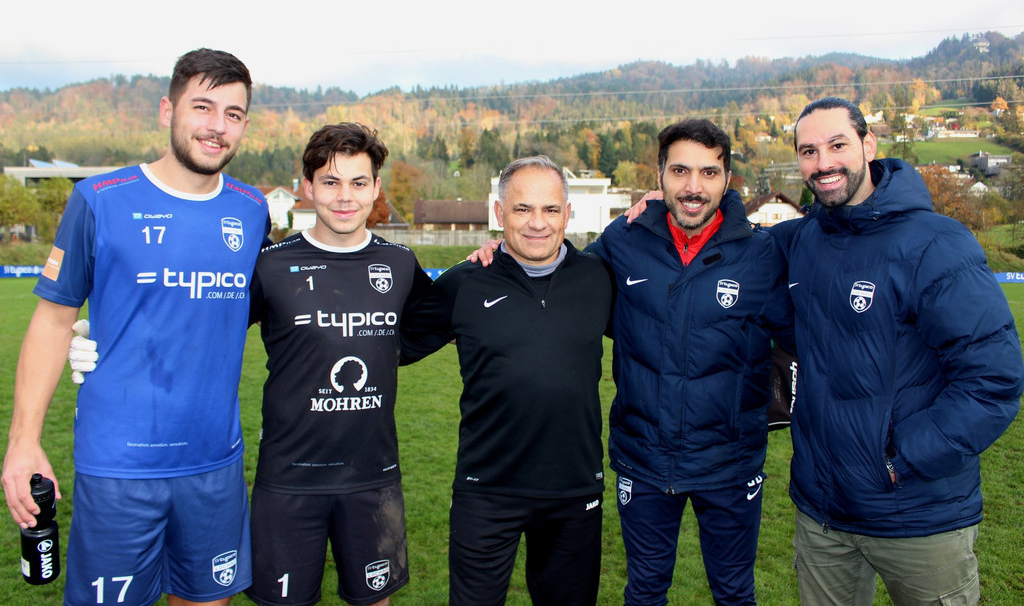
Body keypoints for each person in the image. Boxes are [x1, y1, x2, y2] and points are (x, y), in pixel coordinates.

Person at [2, 49, 268, 605]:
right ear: (167, 110)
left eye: (234, 114)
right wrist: (24, 443)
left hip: (214, 465)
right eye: (202, 107)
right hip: (119, 467)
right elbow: (53, 320)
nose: (217, 126)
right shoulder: (99, 200)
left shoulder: (250, 209)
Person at [774, 96, 1024, 605]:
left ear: (869, 145)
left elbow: (994, 379)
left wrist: (902, 460)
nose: (823, 163)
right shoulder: (801, 241)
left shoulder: (936, 243)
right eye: (808, 151)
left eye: (837, 145)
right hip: (824, 516)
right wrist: (656, 208)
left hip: (918, 516)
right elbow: (726, 238)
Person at [586, 119, 791, 605]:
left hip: (730, 463)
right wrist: (498, 252)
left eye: (708, 172)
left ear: (728, 179)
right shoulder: (623, 240)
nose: (693, 187)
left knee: (734, 594)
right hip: (644, 458)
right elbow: (557, 277)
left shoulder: (762, 254)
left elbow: (807, 333)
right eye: (680, 171)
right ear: (659, 176)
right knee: (644, 592)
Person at [400, 156, 614, 606]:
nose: (537, 222)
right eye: (522, 209)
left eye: (550, 209)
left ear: (567, 214)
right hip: (486, 490)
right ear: (499, 213)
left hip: (574, 490)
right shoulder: (466, 282)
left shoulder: (597, 278)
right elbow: (393, 343)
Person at [244, 123, 432, 606]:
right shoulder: (270, 265)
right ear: (307, 187)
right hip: (289, 479)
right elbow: (206, 332)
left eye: (358, 182)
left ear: (376, 188)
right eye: (330, 182)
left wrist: (492, 254)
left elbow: (443, 322)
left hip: (373, 476)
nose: (345, 196)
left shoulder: (400, 263)